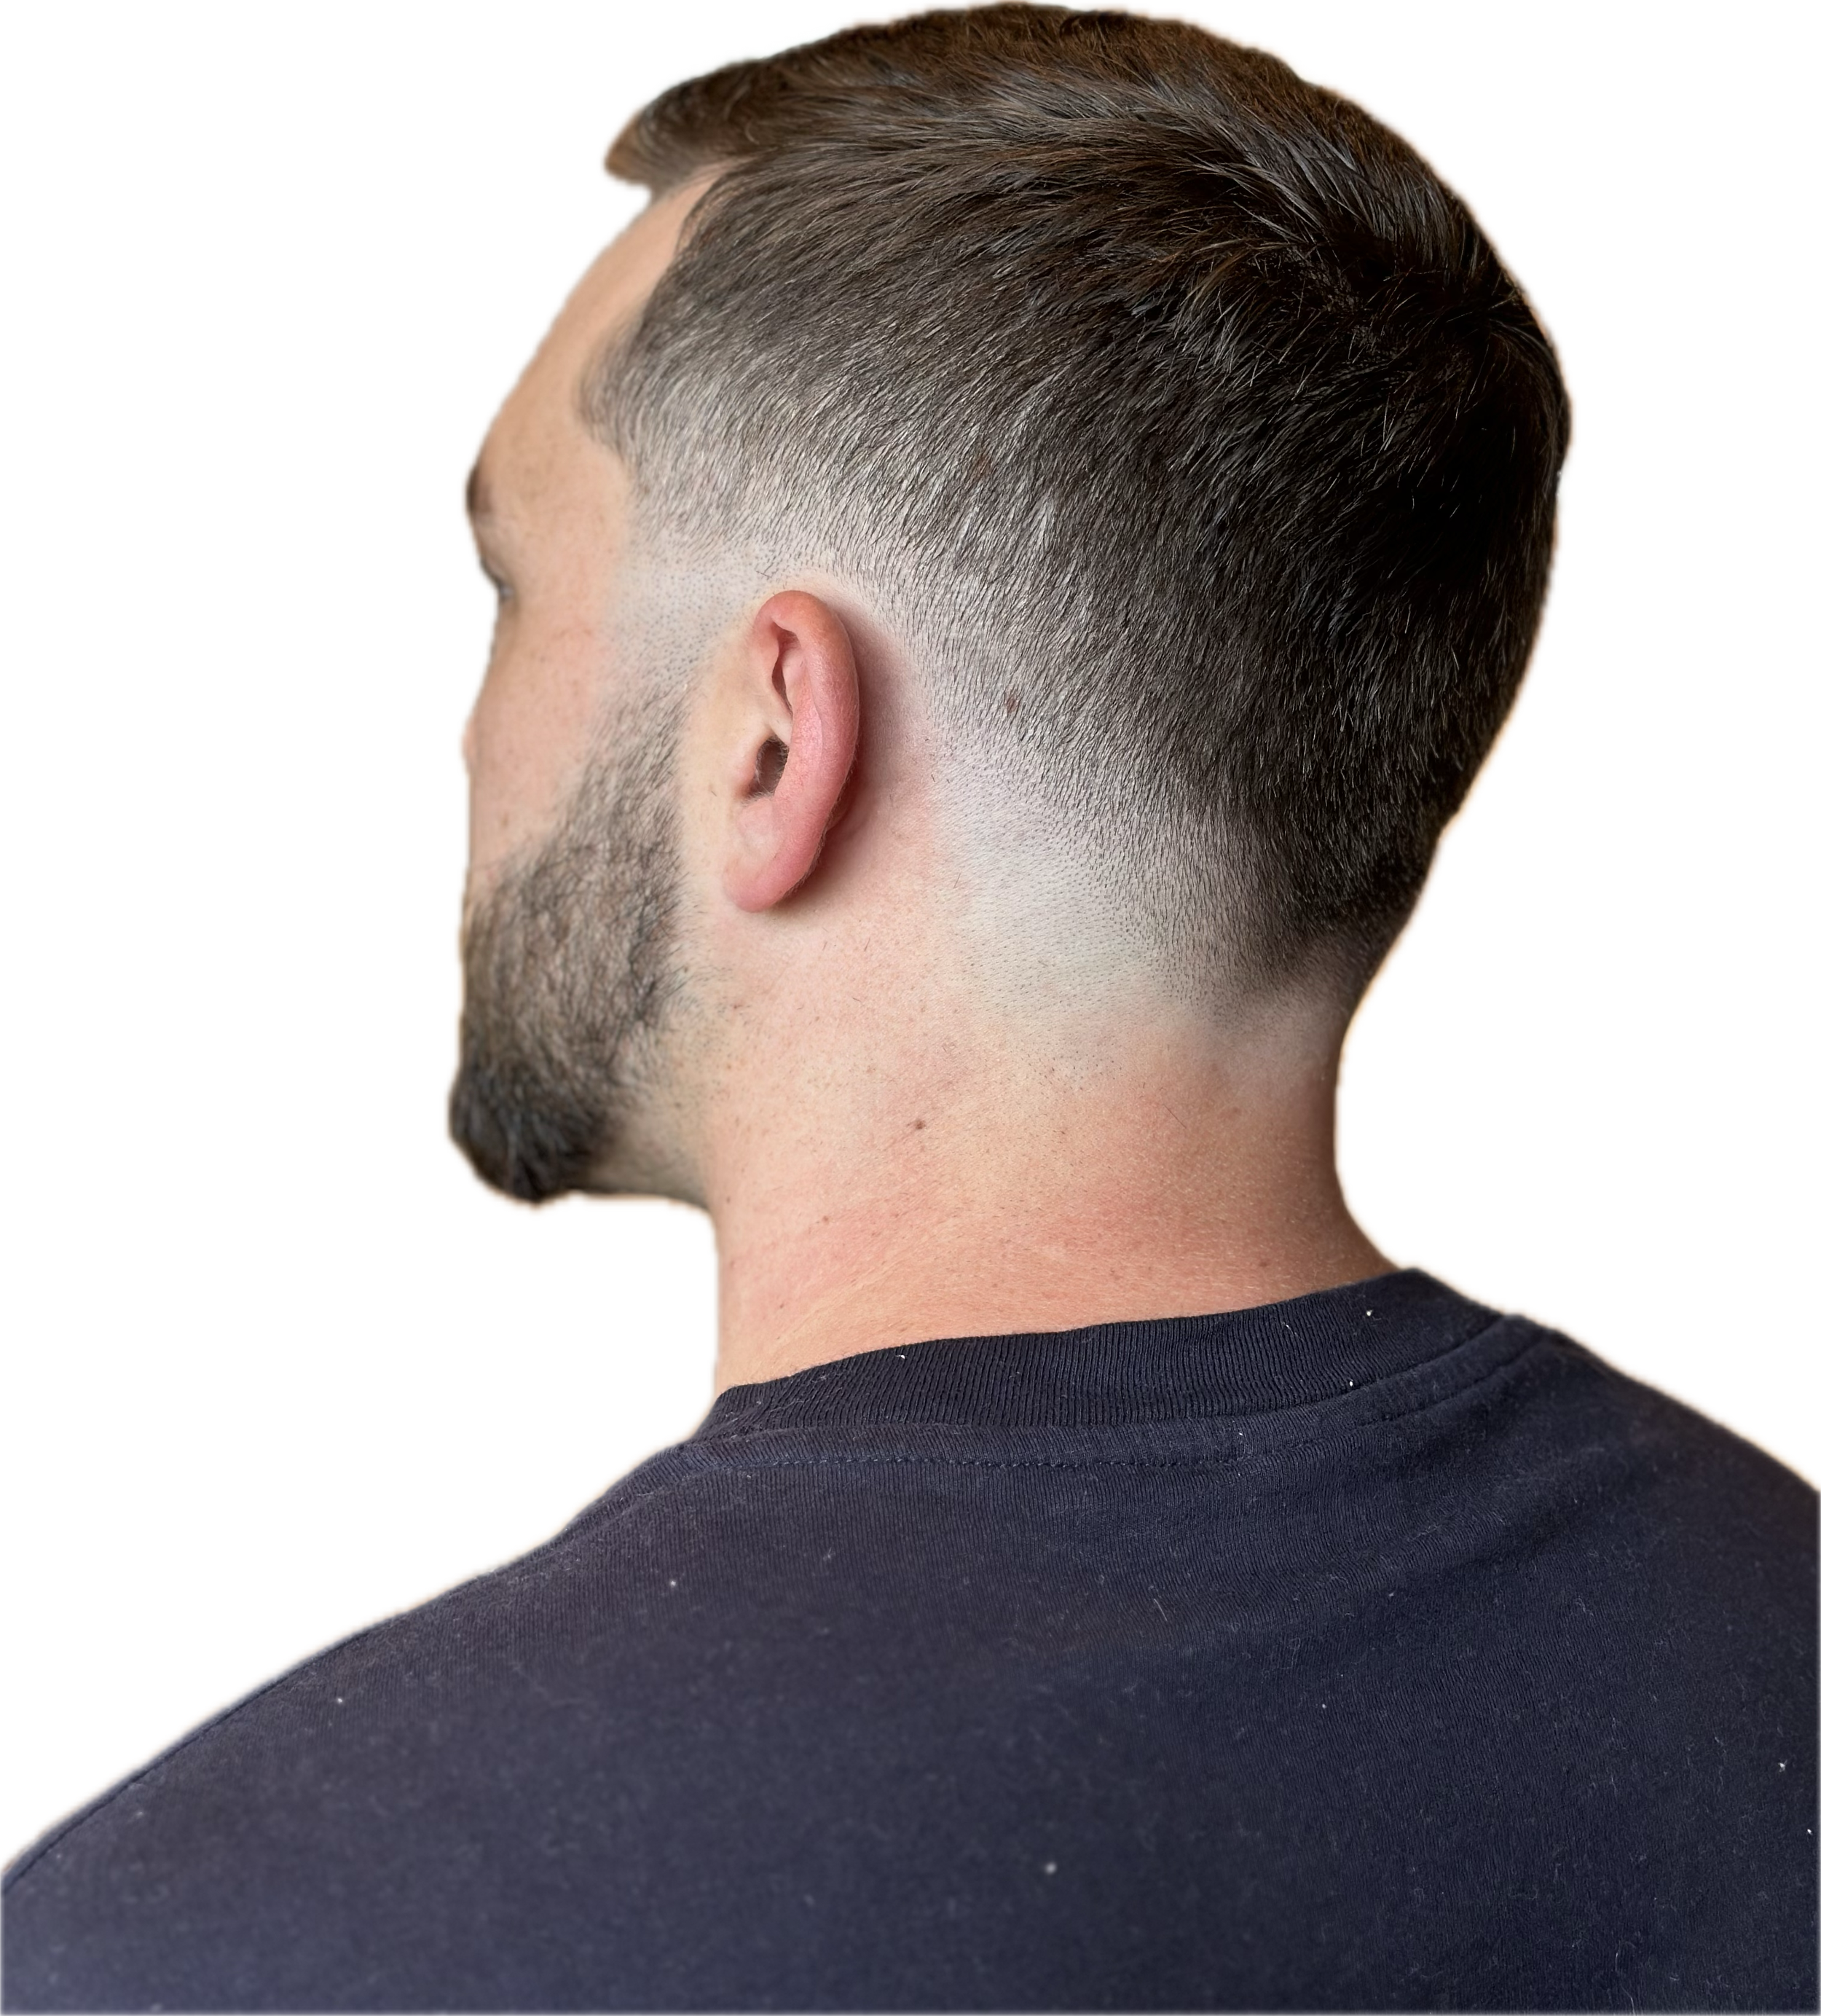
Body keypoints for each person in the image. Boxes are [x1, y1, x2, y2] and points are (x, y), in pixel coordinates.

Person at [4, 7, 1812, 2009]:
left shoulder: (237, 1935)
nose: (465, 734)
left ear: (776, 741)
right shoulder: (1778, 1634)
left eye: (509, 590)